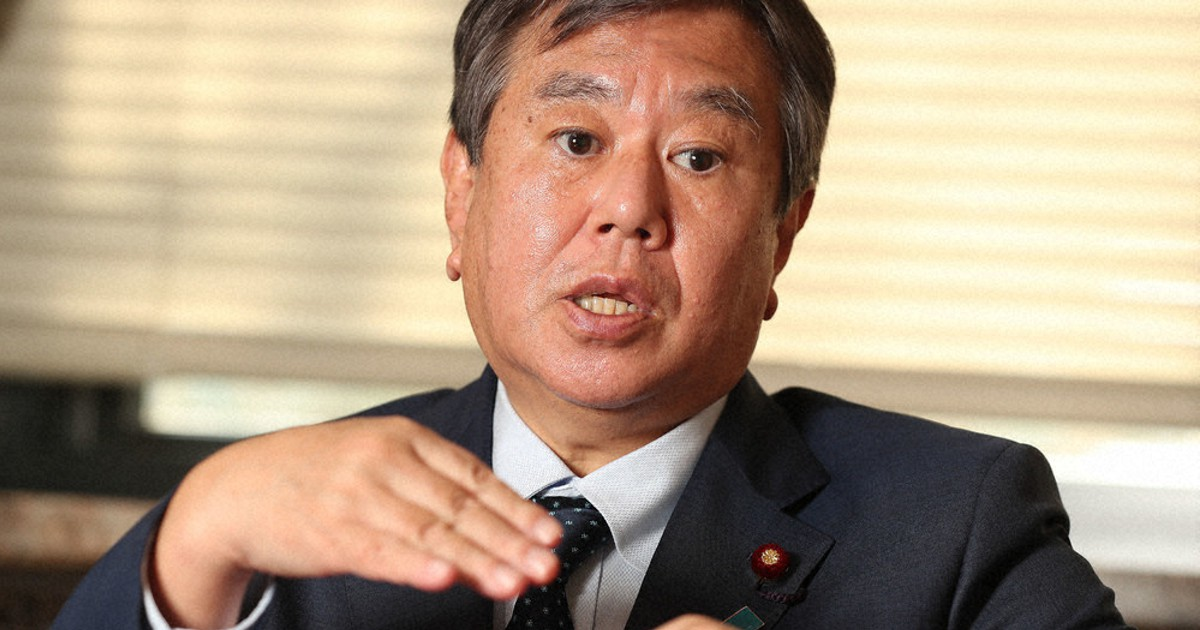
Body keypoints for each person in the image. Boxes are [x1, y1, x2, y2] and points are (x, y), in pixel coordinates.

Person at [55, 0, 1129, 628]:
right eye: (576, 141)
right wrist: (194, 541)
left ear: (783, 235)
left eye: (699, 158)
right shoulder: (279, 517)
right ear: (462, 191)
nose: (629, 210)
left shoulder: (956, 526)